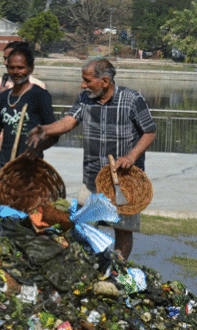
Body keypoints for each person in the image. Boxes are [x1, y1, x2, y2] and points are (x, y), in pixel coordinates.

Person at [27, 59, 157, 259]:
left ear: (105, 81)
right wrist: (45, 129)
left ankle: (116, 268)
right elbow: (69, 121)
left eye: (87, 81)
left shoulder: (132, 99)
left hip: (124, 183)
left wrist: (131, 156)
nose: (83, 85)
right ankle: (87, 265)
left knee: (122, 231)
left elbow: (149, 132)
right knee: (79, 227)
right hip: (92, 180)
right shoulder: (84, 99)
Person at [0, 46, 57, 168]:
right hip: (5, 165)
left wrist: (37, 149)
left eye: (20, 68)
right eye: (11, 68)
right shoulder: (4, 97)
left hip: (31, 165)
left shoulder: (39, 95)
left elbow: (54, 133)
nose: (16, 72)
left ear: (31, 68)